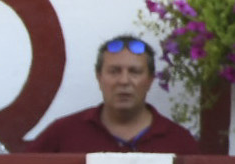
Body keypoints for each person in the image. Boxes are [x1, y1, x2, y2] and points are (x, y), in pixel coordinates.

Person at [23, 35, 198, 154]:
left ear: (150, 80)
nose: (124, 81)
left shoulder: (179, 141)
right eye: (114, 71)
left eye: (134, 72)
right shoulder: (64, 133)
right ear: (99, 77)